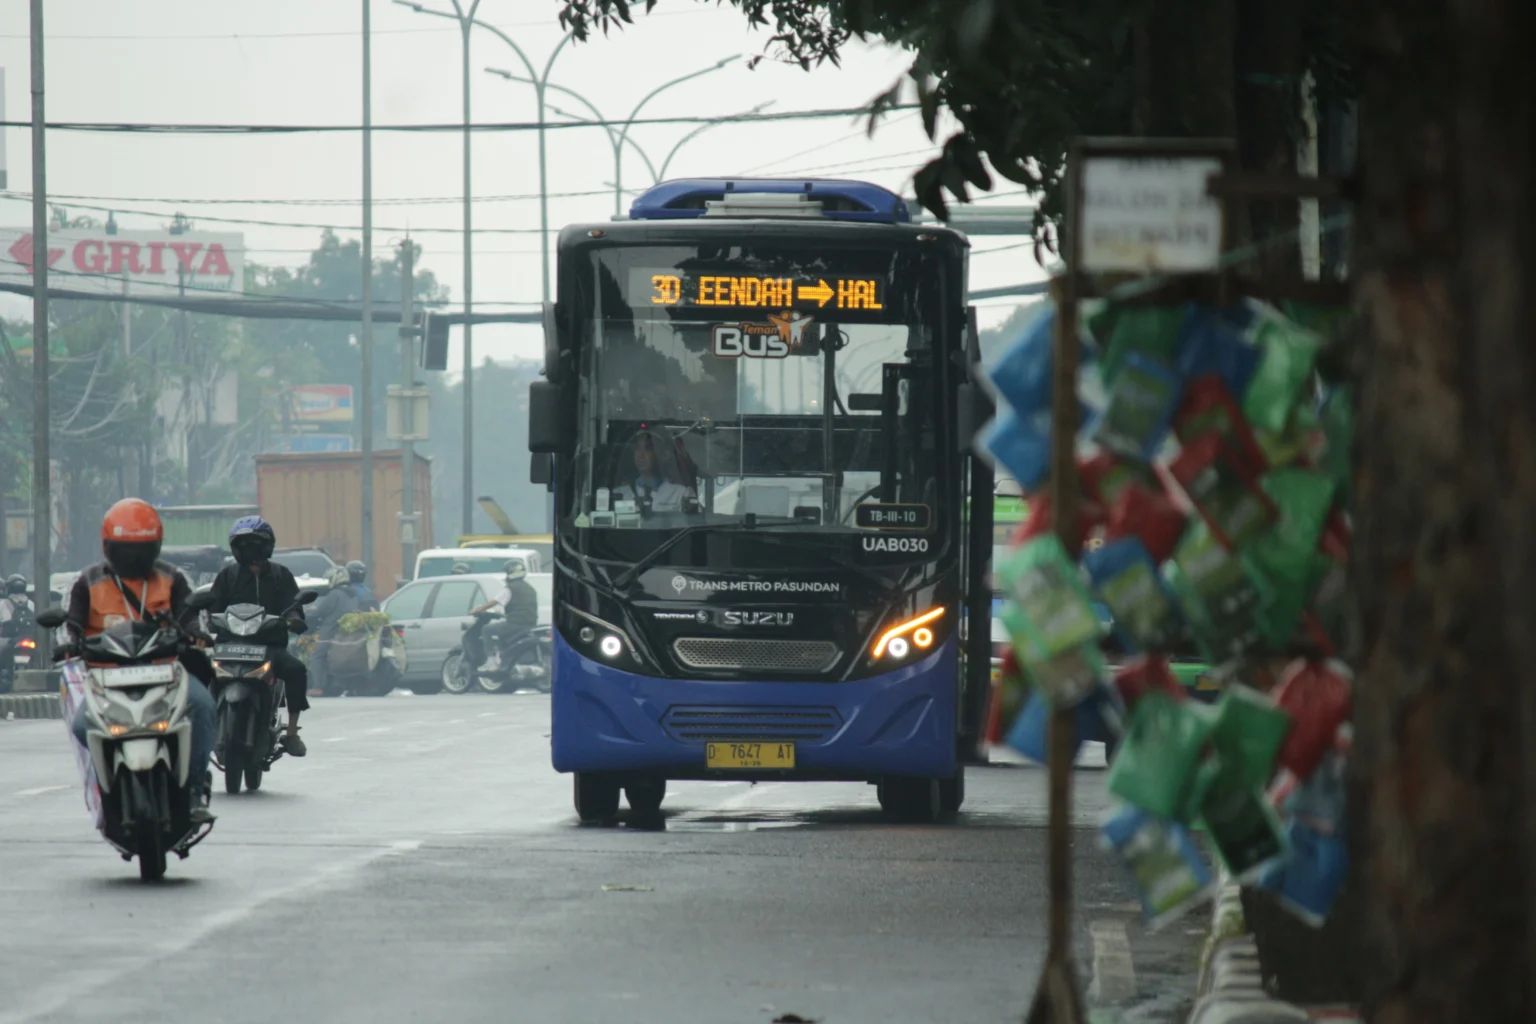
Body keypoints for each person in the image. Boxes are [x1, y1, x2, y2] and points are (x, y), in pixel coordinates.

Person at [64, 499, 217, 823]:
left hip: (166, 674)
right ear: (108, 547)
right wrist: (70, 644)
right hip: (106, 680)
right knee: (81, 726)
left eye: (141, 549)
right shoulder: (88, 582)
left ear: (156, 546)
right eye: (125, 550)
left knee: (203, 707)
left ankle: (193, 791)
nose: (133, 558)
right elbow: (74, 625)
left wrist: (195, 634)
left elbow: (188, 616)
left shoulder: (172, 578)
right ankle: (104, 789)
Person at [206, 516, 311, 756]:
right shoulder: (227, 576)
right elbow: (212, 606)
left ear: (267, 546)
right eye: (242, 545)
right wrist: (204, 620)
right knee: (199, 670)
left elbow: (293, 605)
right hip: (229, 647)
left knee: (296, 670)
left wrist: (294, 618)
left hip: (269, 647)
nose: (249, 550)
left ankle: (292, 732)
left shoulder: (281, 575)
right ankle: (201, 722)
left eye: (254, 544)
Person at [469, 560, 539, 666]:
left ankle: (491, 660)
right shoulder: (530, 588)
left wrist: (478, 609)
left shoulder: (510, 588)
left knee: (487, 630)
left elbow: (494, 602)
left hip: (515, 624)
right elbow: (520, 605)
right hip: (530, 623)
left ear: (510, 573)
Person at [307, 566, 360, 697]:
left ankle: (318, 687)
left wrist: (308, 612)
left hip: (330, 632)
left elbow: (320, 611)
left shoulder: (334, 594)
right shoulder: (353, 594)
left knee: (317, 656)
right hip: (344, 635)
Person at [613, 431, 694, 513]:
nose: (641, 455)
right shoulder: (620, 494)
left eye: (648, 448)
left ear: (661, 454)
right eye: (637, 448)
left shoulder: (681, 494)